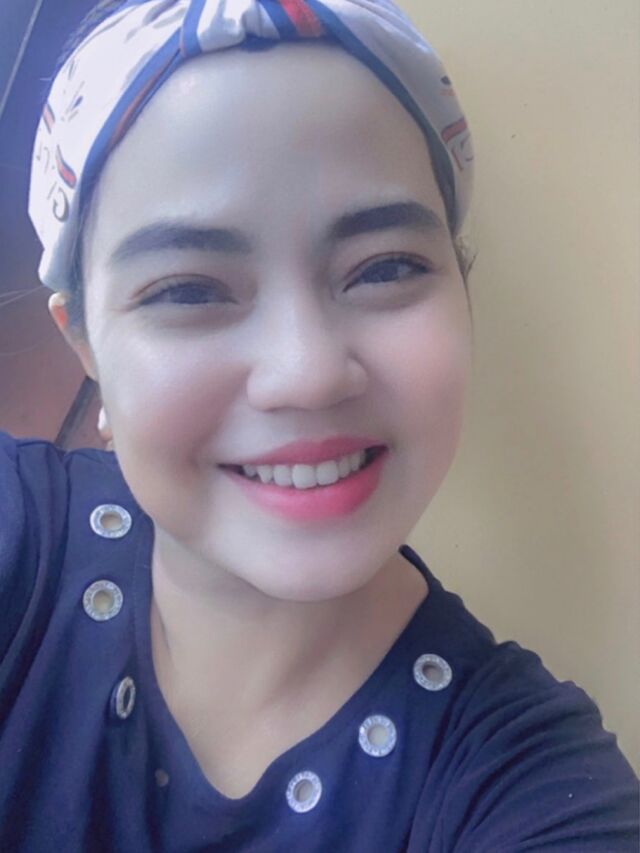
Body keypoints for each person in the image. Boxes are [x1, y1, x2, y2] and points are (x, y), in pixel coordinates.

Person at [0, 0, 637, 850]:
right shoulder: (18, 541)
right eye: (189, 289)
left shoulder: (528, 782)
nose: (305, 372)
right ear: (84, 342)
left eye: (385, 269)